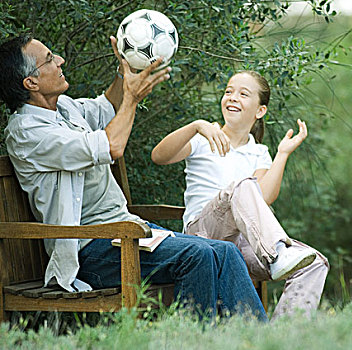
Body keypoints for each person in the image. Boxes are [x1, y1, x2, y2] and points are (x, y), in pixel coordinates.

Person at [0, 35, 267, 321]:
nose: (60, 61)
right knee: (197, 256)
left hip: (125, 233)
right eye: (50, 59)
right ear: (31, 82)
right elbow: (112, 145)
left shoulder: (65, 109)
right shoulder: (29, 132)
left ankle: (259, 340)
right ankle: (195, 341)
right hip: (90, 248)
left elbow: (108, 107)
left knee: (224, 252)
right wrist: (133, 97)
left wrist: (126, 68)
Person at [151, 70, 329, 319]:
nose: (233, 97)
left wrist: (283, 154)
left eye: (243, 94)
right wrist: (196, 127)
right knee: (243, 186)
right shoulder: (204, 138)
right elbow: (158, 157)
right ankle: (276, 252)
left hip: (243, 244)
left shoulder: (259, 152)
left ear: (260, 111)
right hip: (202, 235)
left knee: (314, 263)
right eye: (228, 91)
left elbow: (264, 198)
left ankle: (283, 338)